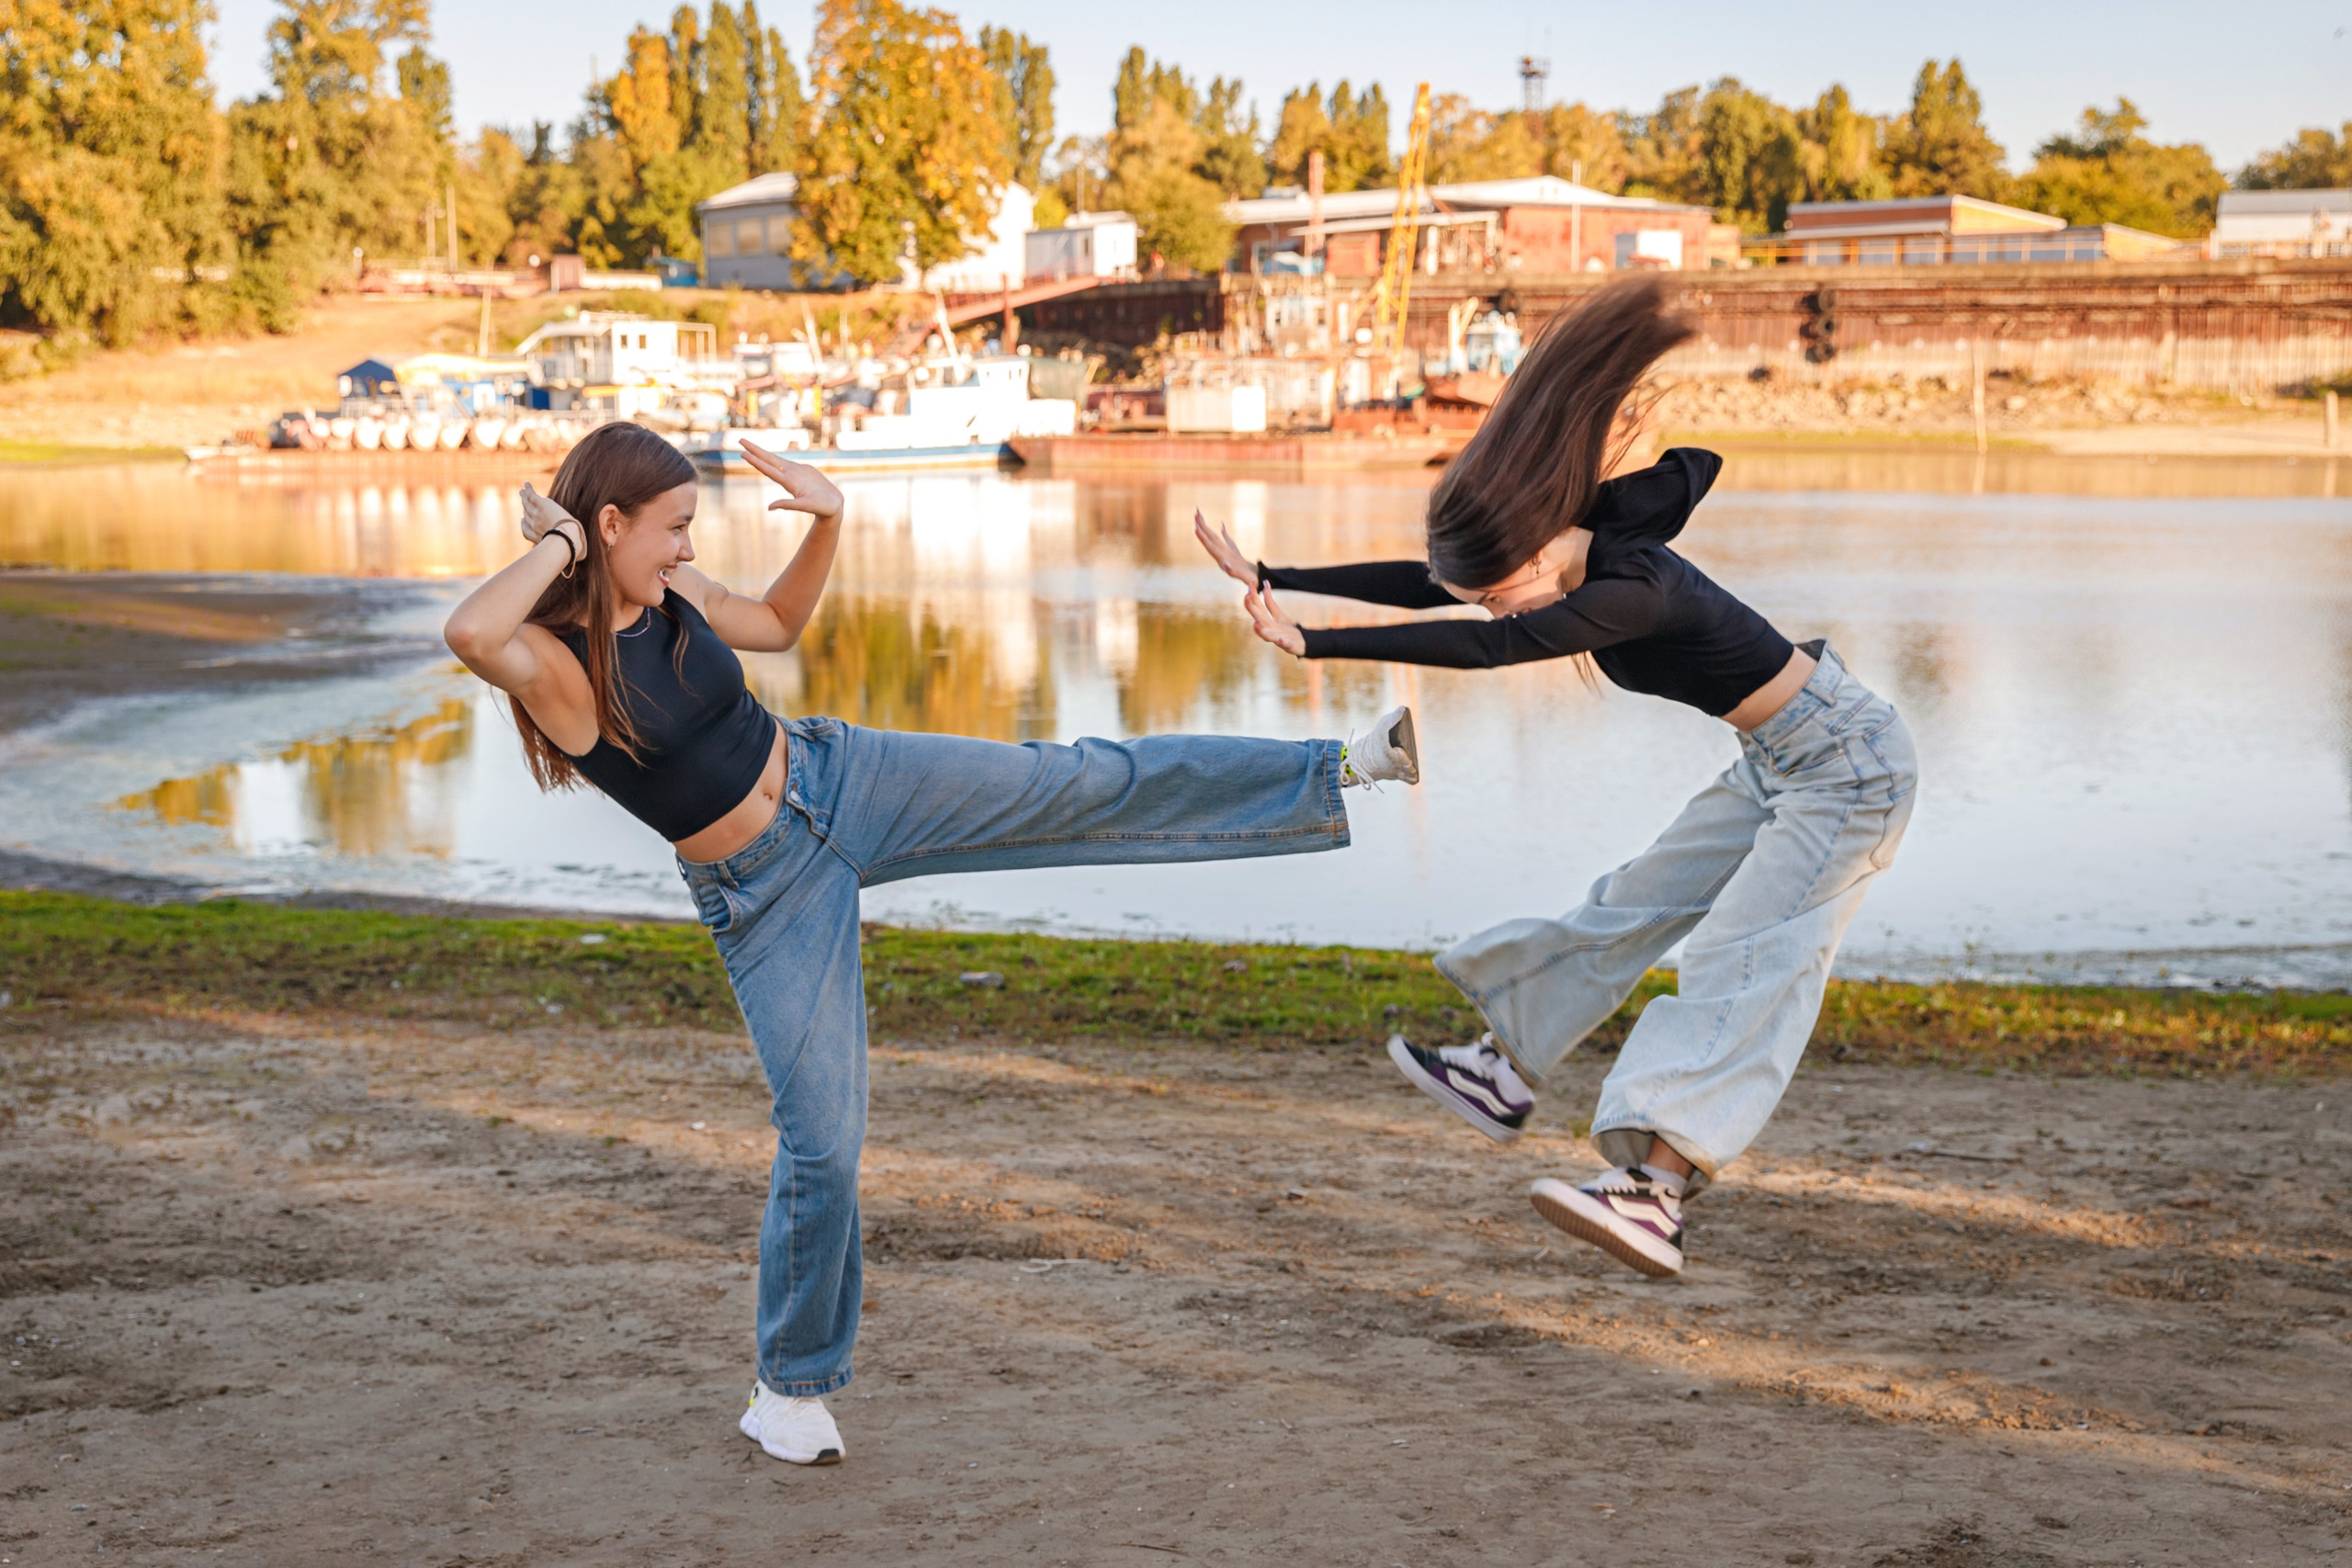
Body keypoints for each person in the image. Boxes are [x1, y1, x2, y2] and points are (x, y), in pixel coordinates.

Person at [443, 423, 1419, 1465]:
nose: (687, 549)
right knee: (822, 1142)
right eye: (674, 528)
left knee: (1074, 778)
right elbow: (468, 632)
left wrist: (829, 519)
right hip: (767, 890)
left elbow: (774, 623)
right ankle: (791, 1389)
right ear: (607, 524)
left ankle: (1338, 768)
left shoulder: (674, 599)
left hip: (840, 774)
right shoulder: (555, 665)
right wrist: (560, 549)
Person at [1195, 275, 1915, 1280]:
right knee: (1627, 906)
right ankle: (1501, 1072)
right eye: (1487, 594)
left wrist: (1314, 646)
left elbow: (1493, 649)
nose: (1494, 608)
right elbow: (1431, 582)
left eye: (1498, 591)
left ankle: (1651, 1193)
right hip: (1782, 761)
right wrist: (1278, 576)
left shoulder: (1630, 591)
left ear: (1533, 550)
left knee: (1747, 962)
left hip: (1849, 771)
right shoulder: (1567, 547)